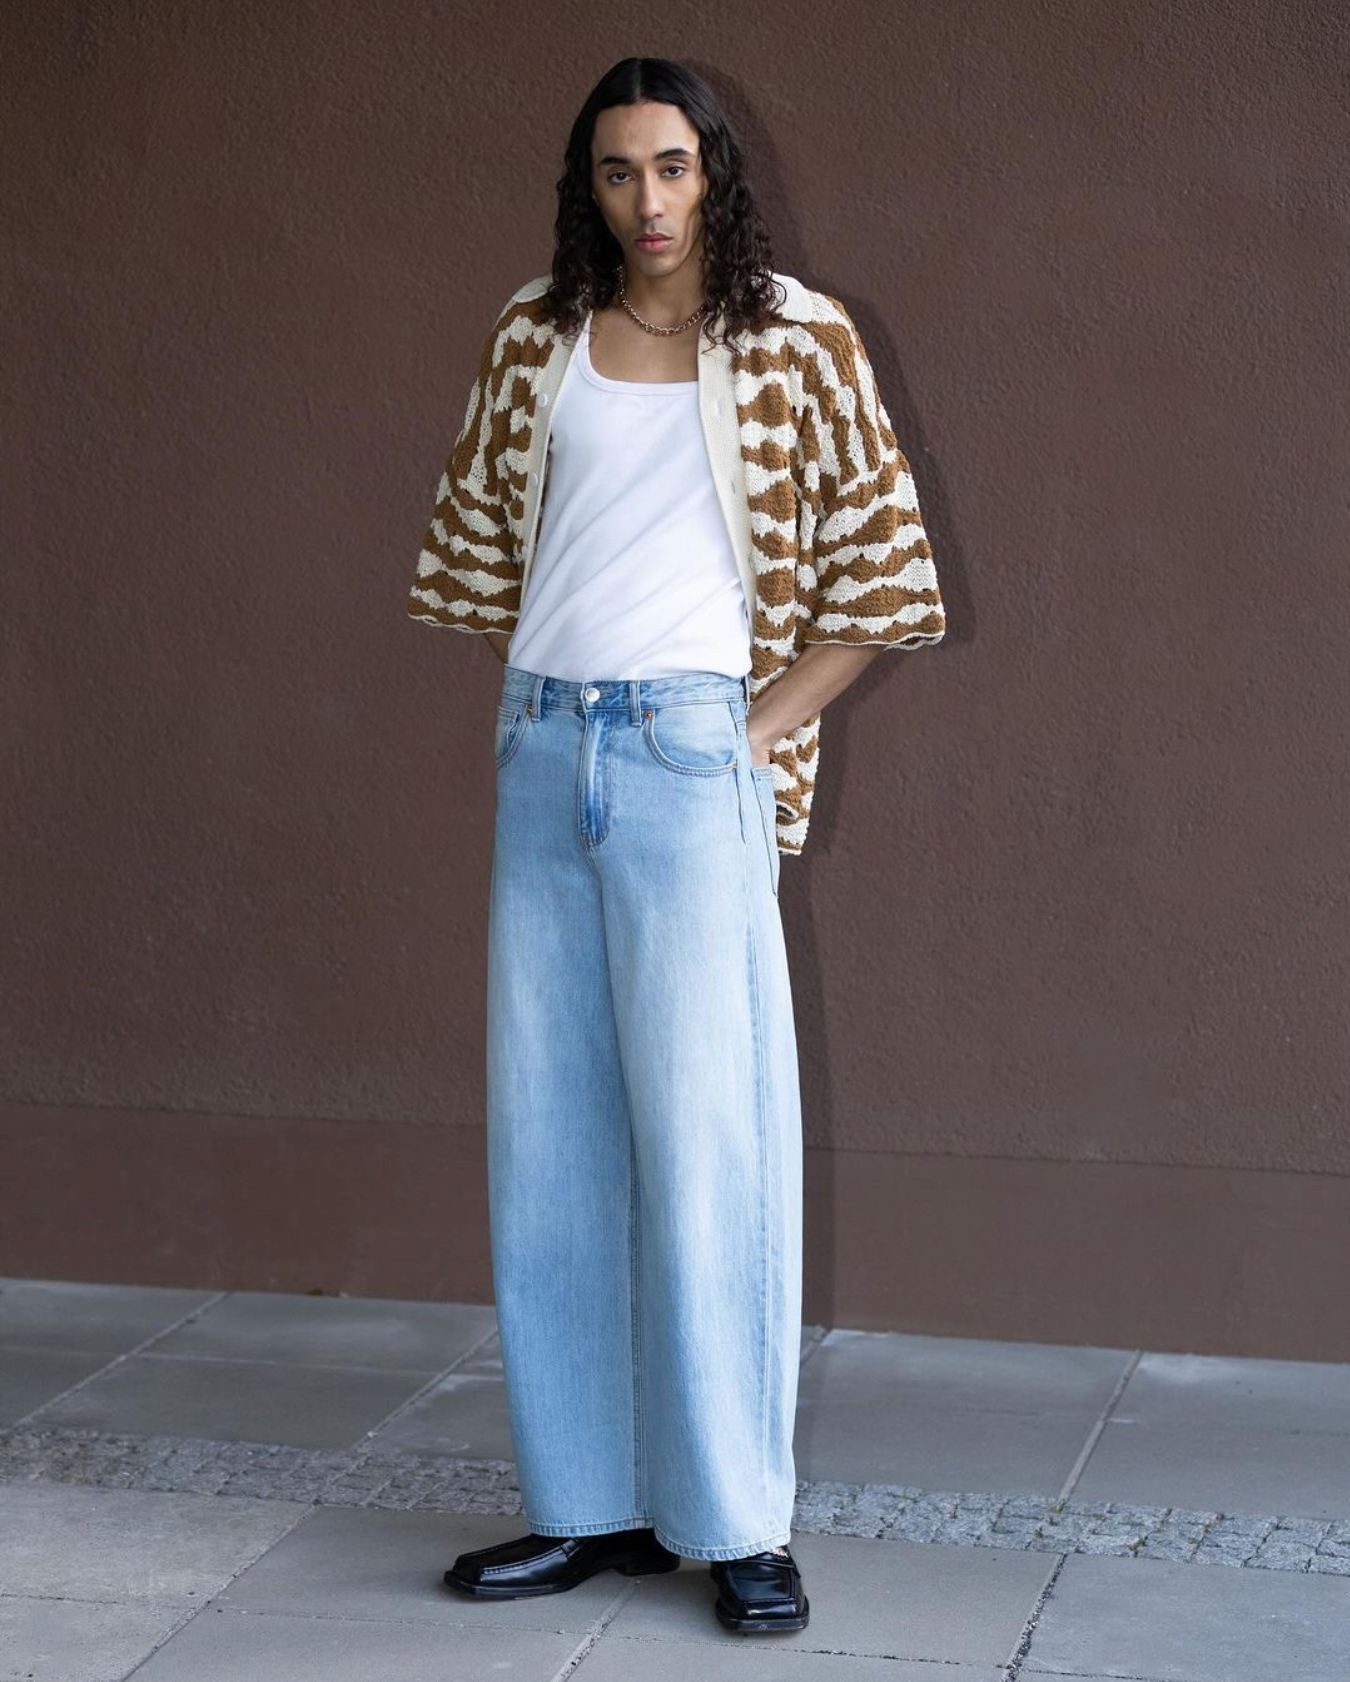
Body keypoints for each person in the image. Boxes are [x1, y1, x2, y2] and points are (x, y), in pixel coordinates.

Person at [407, 56, 946, 1636]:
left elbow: (885, 577)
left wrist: (742, 733)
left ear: (713, 171)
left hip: (691, 753)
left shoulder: (798, 339)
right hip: (543, 751)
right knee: (550, 1144)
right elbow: (479, 552)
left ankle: (735, 1522)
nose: (645, 200)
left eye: (669, 166)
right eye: (614, 171)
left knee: (714, 1145)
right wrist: (558, 695)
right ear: (585, 188)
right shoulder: (533, 334)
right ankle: (585, 1506)